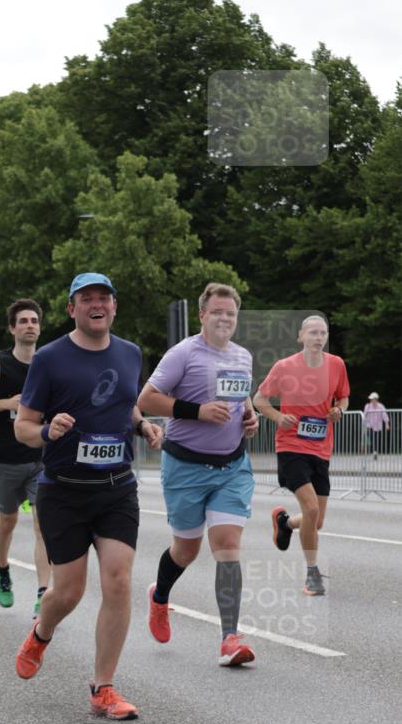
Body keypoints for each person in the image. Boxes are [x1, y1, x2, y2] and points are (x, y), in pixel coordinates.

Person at [13, 273, 163, 720]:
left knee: (118, 581)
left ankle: (104, 688)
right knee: (69, 591)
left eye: (104, 298)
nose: (96, 304)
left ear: (114, 307)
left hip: (117, 488)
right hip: (64, 492)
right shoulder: (50, 358)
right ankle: (41, 632)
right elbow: (23, 425)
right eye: (86, 299)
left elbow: (125, 403)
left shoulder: (131, 353)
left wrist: (141, 425)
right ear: (71, 308)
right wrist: (45, 430)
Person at [138, 282, 259, 666]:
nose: (224, 318)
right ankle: (160, 597)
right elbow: (147, 399)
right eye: (218, 312)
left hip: (232, 467)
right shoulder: (183, 354)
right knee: (186, 550)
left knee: (227, 545)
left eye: (231, 313)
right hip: (185, 468)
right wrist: (198, 411)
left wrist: (249, 416)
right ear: (203, 315)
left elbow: (242, 399)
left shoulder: (243, 356)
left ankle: (230, 638)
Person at [253, 314, 350, 596]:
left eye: (323, 333)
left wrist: (340, 410)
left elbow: (343, 397)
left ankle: (284, 522)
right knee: (310, 509)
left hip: (321, 449)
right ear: (301, 336)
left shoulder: (336, 365)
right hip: (291, 447)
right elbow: (259, 400)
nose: (319, 338)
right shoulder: (284, 367)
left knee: (316, 520)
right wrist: (277, 416)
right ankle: (312, 574)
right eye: (313, 333)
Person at [0, 299, 51, 613]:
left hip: (41, 458)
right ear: (12, 328)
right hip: (4, 458)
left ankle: (44, 593)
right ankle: (2, 568)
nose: (30, 325)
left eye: (34, 321)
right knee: (8, 520)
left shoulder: (48, 362)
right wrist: (7, 403)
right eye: (23, 321)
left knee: (44, 526)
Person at [363, 392, 390, 459]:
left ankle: (376, 451)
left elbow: (384, 415)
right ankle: (374, 452)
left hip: (378, 426)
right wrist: (364, 425)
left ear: (376, 399)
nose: (371, 400)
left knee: (377, 440)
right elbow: (364, 416)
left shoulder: (381, 406)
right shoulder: (367, 406)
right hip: (370, 426)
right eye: (371, 399)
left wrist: (387, 424)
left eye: (373, 399)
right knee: (372, 439)